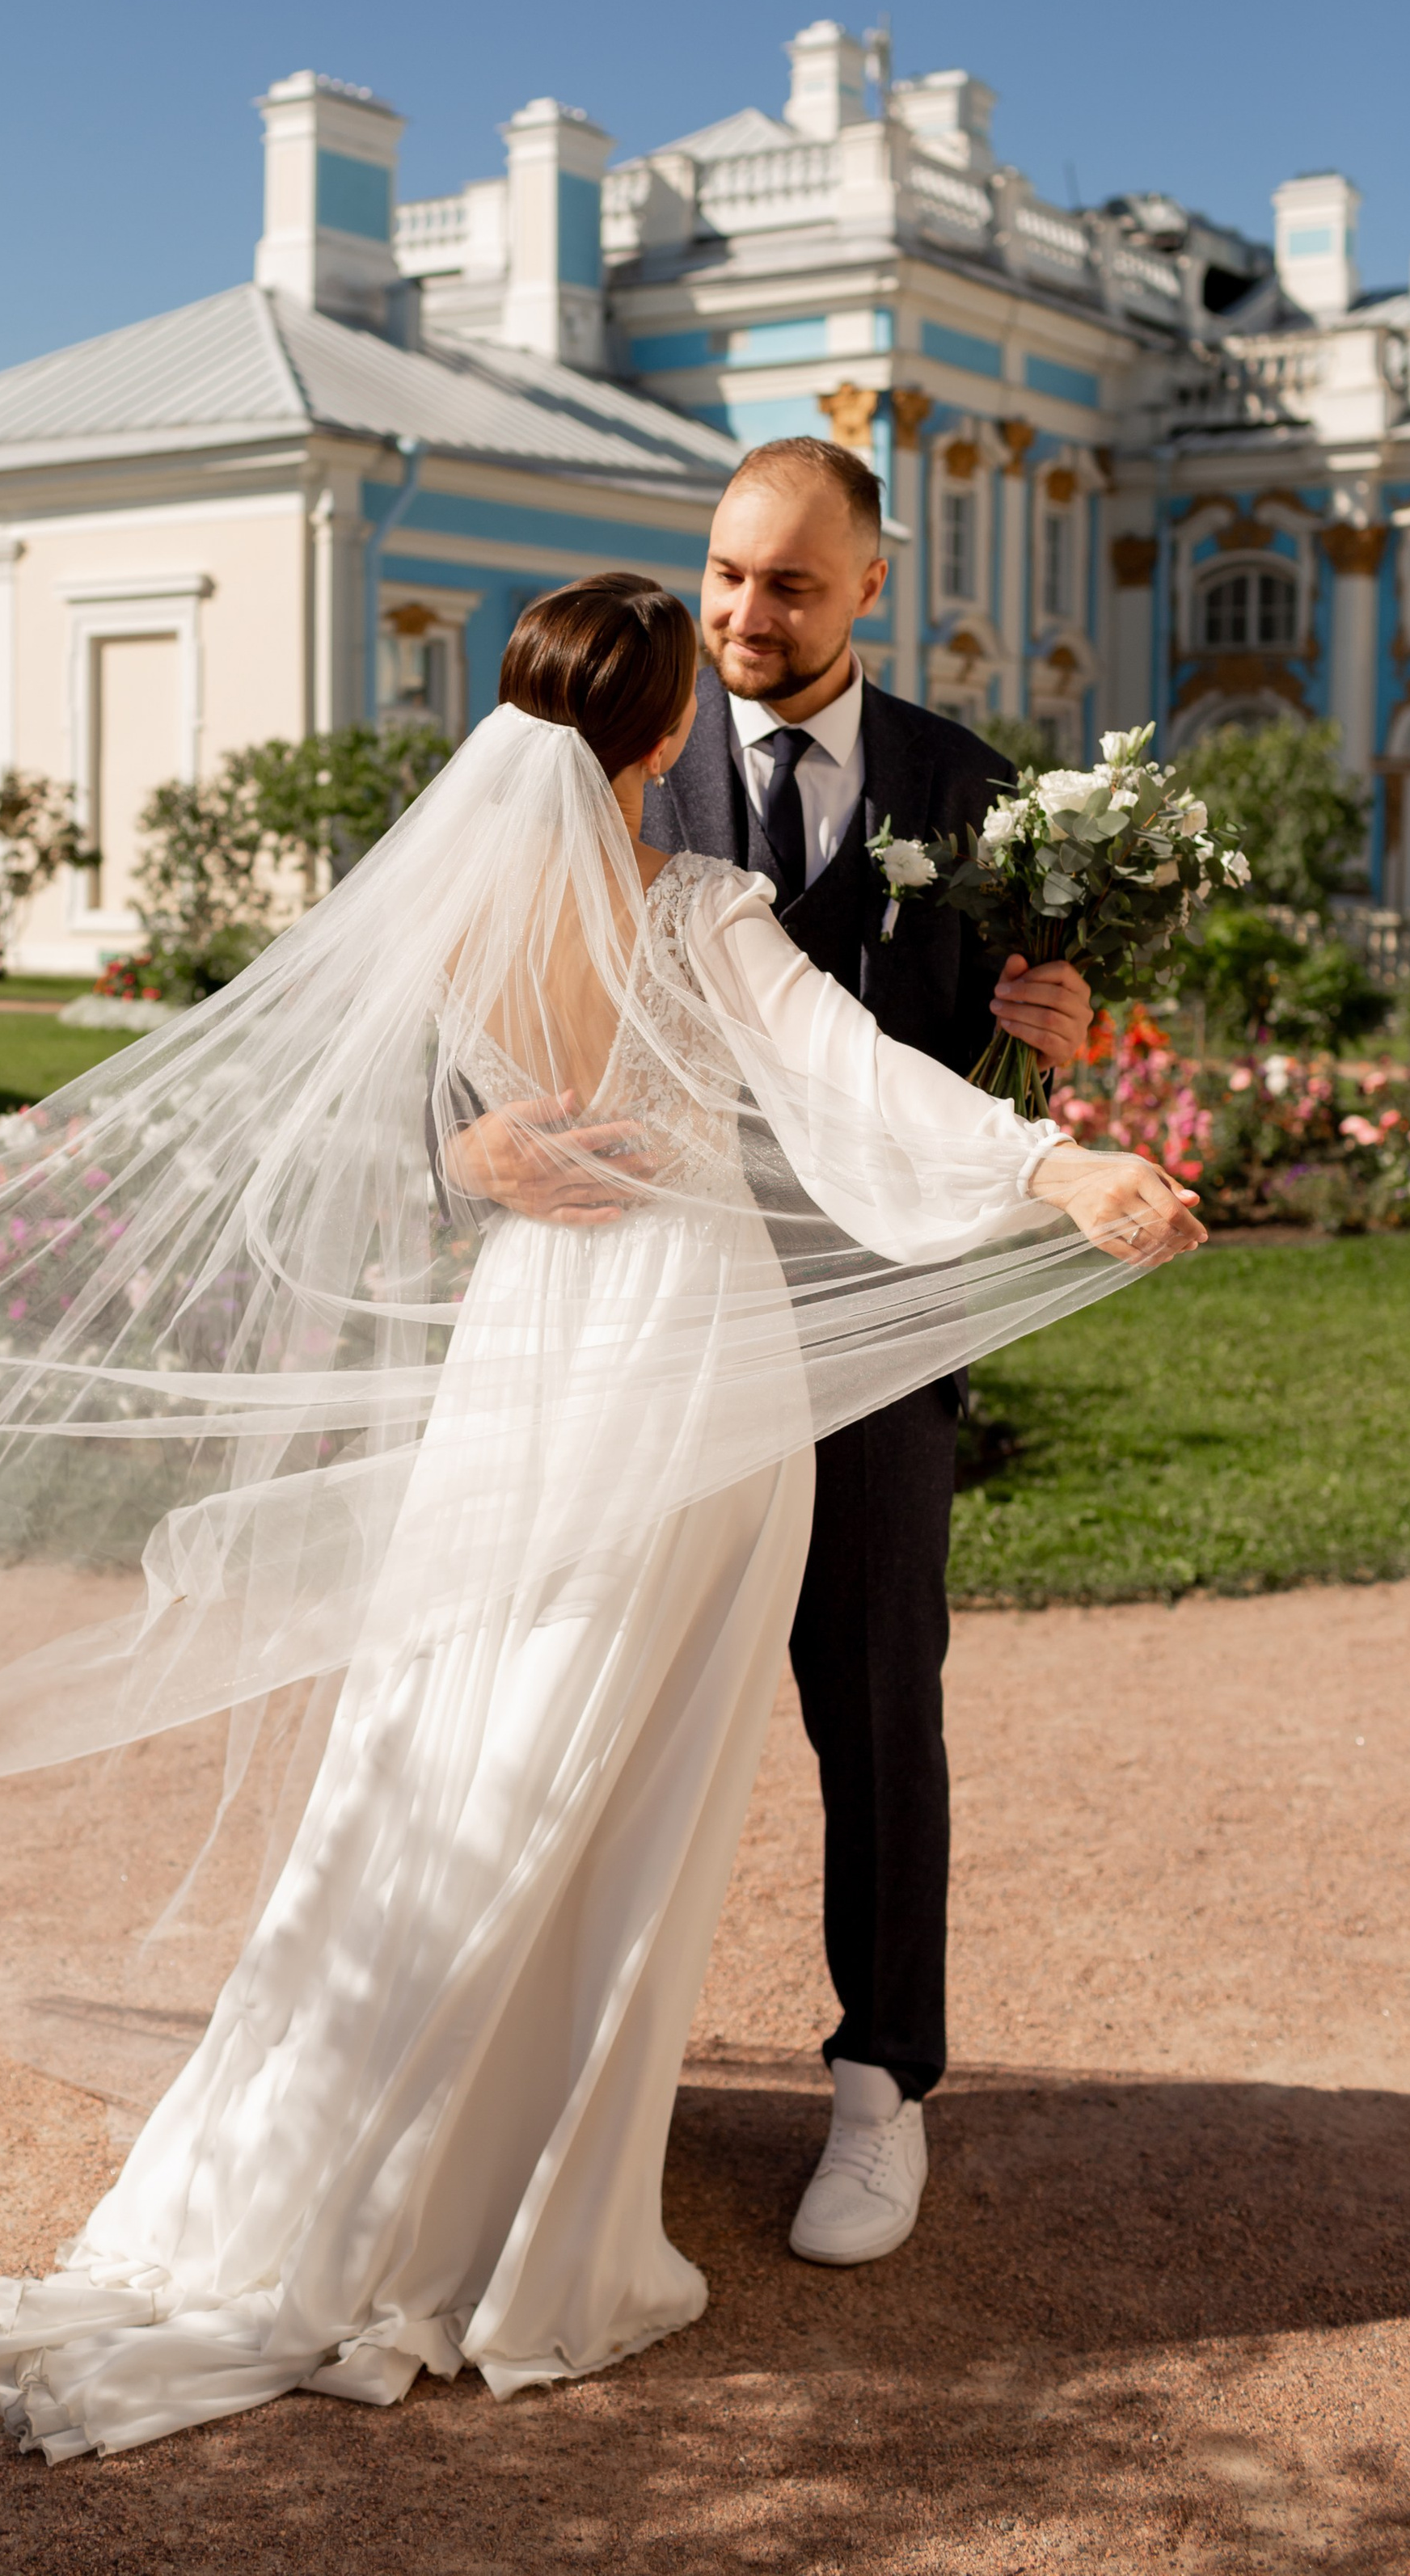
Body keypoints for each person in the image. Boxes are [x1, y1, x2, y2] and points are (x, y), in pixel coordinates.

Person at [0, 575, 1198, 2460]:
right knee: (605, 1784)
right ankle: (518, 2199)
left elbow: (377, 1104)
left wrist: (483, 1148)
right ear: (656, 742)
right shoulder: (698, 909)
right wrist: (1055, 1159)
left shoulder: (464, 905)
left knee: (453, 1738)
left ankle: (334, 2147)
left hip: (525, 1356)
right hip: (685, 1366)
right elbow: (843, 1076)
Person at [443, 442, 1092, 2272]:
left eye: (789, 584)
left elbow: (951, 1054)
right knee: (572, 1691)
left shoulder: (973, 789)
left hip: (871, 1335)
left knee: (874, 1709)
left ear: (867, 585)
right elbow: (447, 1016)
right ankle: (547, 2079)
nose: (741, 613)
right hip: (639, 1333)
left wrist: (1064, 1026)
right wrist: (465, 1148)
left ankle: (883, 2083)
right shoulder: (600, 749)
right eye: (724, 572)